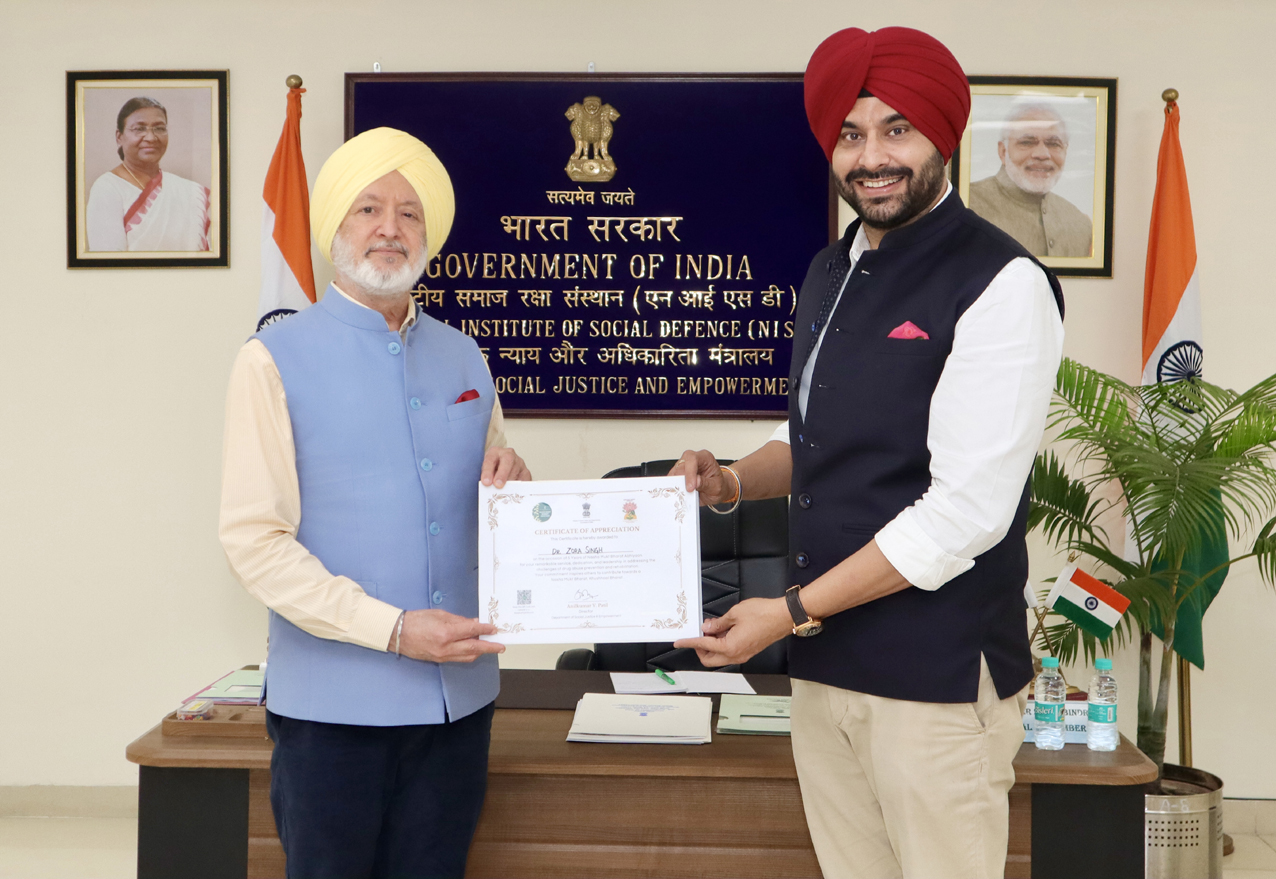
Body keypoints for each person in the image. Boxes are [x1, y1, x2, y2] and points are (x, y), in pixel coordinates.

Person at [669, 27, 1065, 879]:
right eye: (850, 134)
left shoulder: (1003, 283)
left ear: (942, 136)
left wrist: (788, 611)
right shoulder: (830, 269)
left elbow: (963, 513)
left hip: (936, 682)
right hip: (826, 672)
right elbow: (813, 434)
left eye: (896, 129)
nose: (871, 157)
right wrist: (728, 481)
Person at [219, 127, 530, 879]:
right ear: (335, 226)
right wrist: (391, 630)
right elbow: (254, 540)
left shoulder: (465, 354)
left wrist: (515, 483)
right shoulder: (271, 359)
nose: (390, 228)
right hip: (330, 714)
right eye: (368, 208)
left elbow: (493, 497)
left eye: (409, 213)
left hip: (458, 704)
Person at [85, 96, 211, 252]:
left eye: (159, 128)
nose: (151, 138)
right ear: (119, 137)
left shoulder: (191, 192)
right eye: (139, 129)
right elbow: (109, 261)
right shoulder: (107, 188)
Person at [969, 103, 1093, 257]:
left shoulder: (1080, 224)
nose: (1042, 154)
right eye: (1026, 142)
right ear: (1003, 151)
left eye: (1054, 144)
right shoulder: (966, 205)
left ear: (1065, 152)